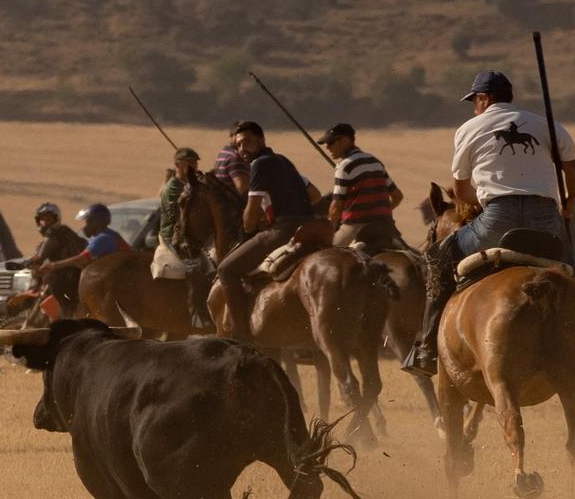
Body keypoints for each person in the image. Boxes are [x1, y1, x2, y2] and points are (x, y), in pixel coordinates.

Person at [402, 70, 575, 378]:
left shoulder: (469, 128)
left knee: (438, 258)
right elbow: (574, 172)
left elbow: (459, 190)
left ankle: (427, 349)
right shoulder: (545, 125)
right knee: (573, 277)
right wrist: (569, 206)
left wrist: (483, 203)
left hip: (497, 220)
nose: (474, 107)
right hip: (546, 220)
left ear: (483, 99)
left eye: (475, 101)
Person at [212, 121, 319, 340]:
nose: (243, 149)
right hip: (309, 226)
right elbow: (315, 195)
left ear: (262, 140)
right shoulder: (284, 161)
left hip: (282, 229)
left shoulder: (258, 165)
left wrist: (251, 224)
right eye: (239, 145)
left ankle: (240, 334)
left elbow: (251, 215)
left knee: (226, 270)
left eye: (248, 142)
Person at [319, 124, 406, 251]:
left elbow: (336, 206)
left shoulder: (344, 166)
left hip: (356, 226)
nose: (327, 147)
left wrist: (332, 227)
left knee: (325, 253)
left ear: (345, 141)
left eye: (331, 143)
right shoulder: (375, 162)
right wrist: (380, 213)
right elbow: (398, 196)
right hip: (385, 226)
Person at [156, 147, 216, 331]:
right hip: (174, 236)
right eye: (188, 163)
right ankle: (196, 315)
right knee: (194, 268)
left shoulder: (193, 184)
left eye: (195, 163)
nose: (193, 166)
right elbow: (178, 220)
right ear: (177, 165)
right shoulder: (173, 188)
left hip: (192, 236)